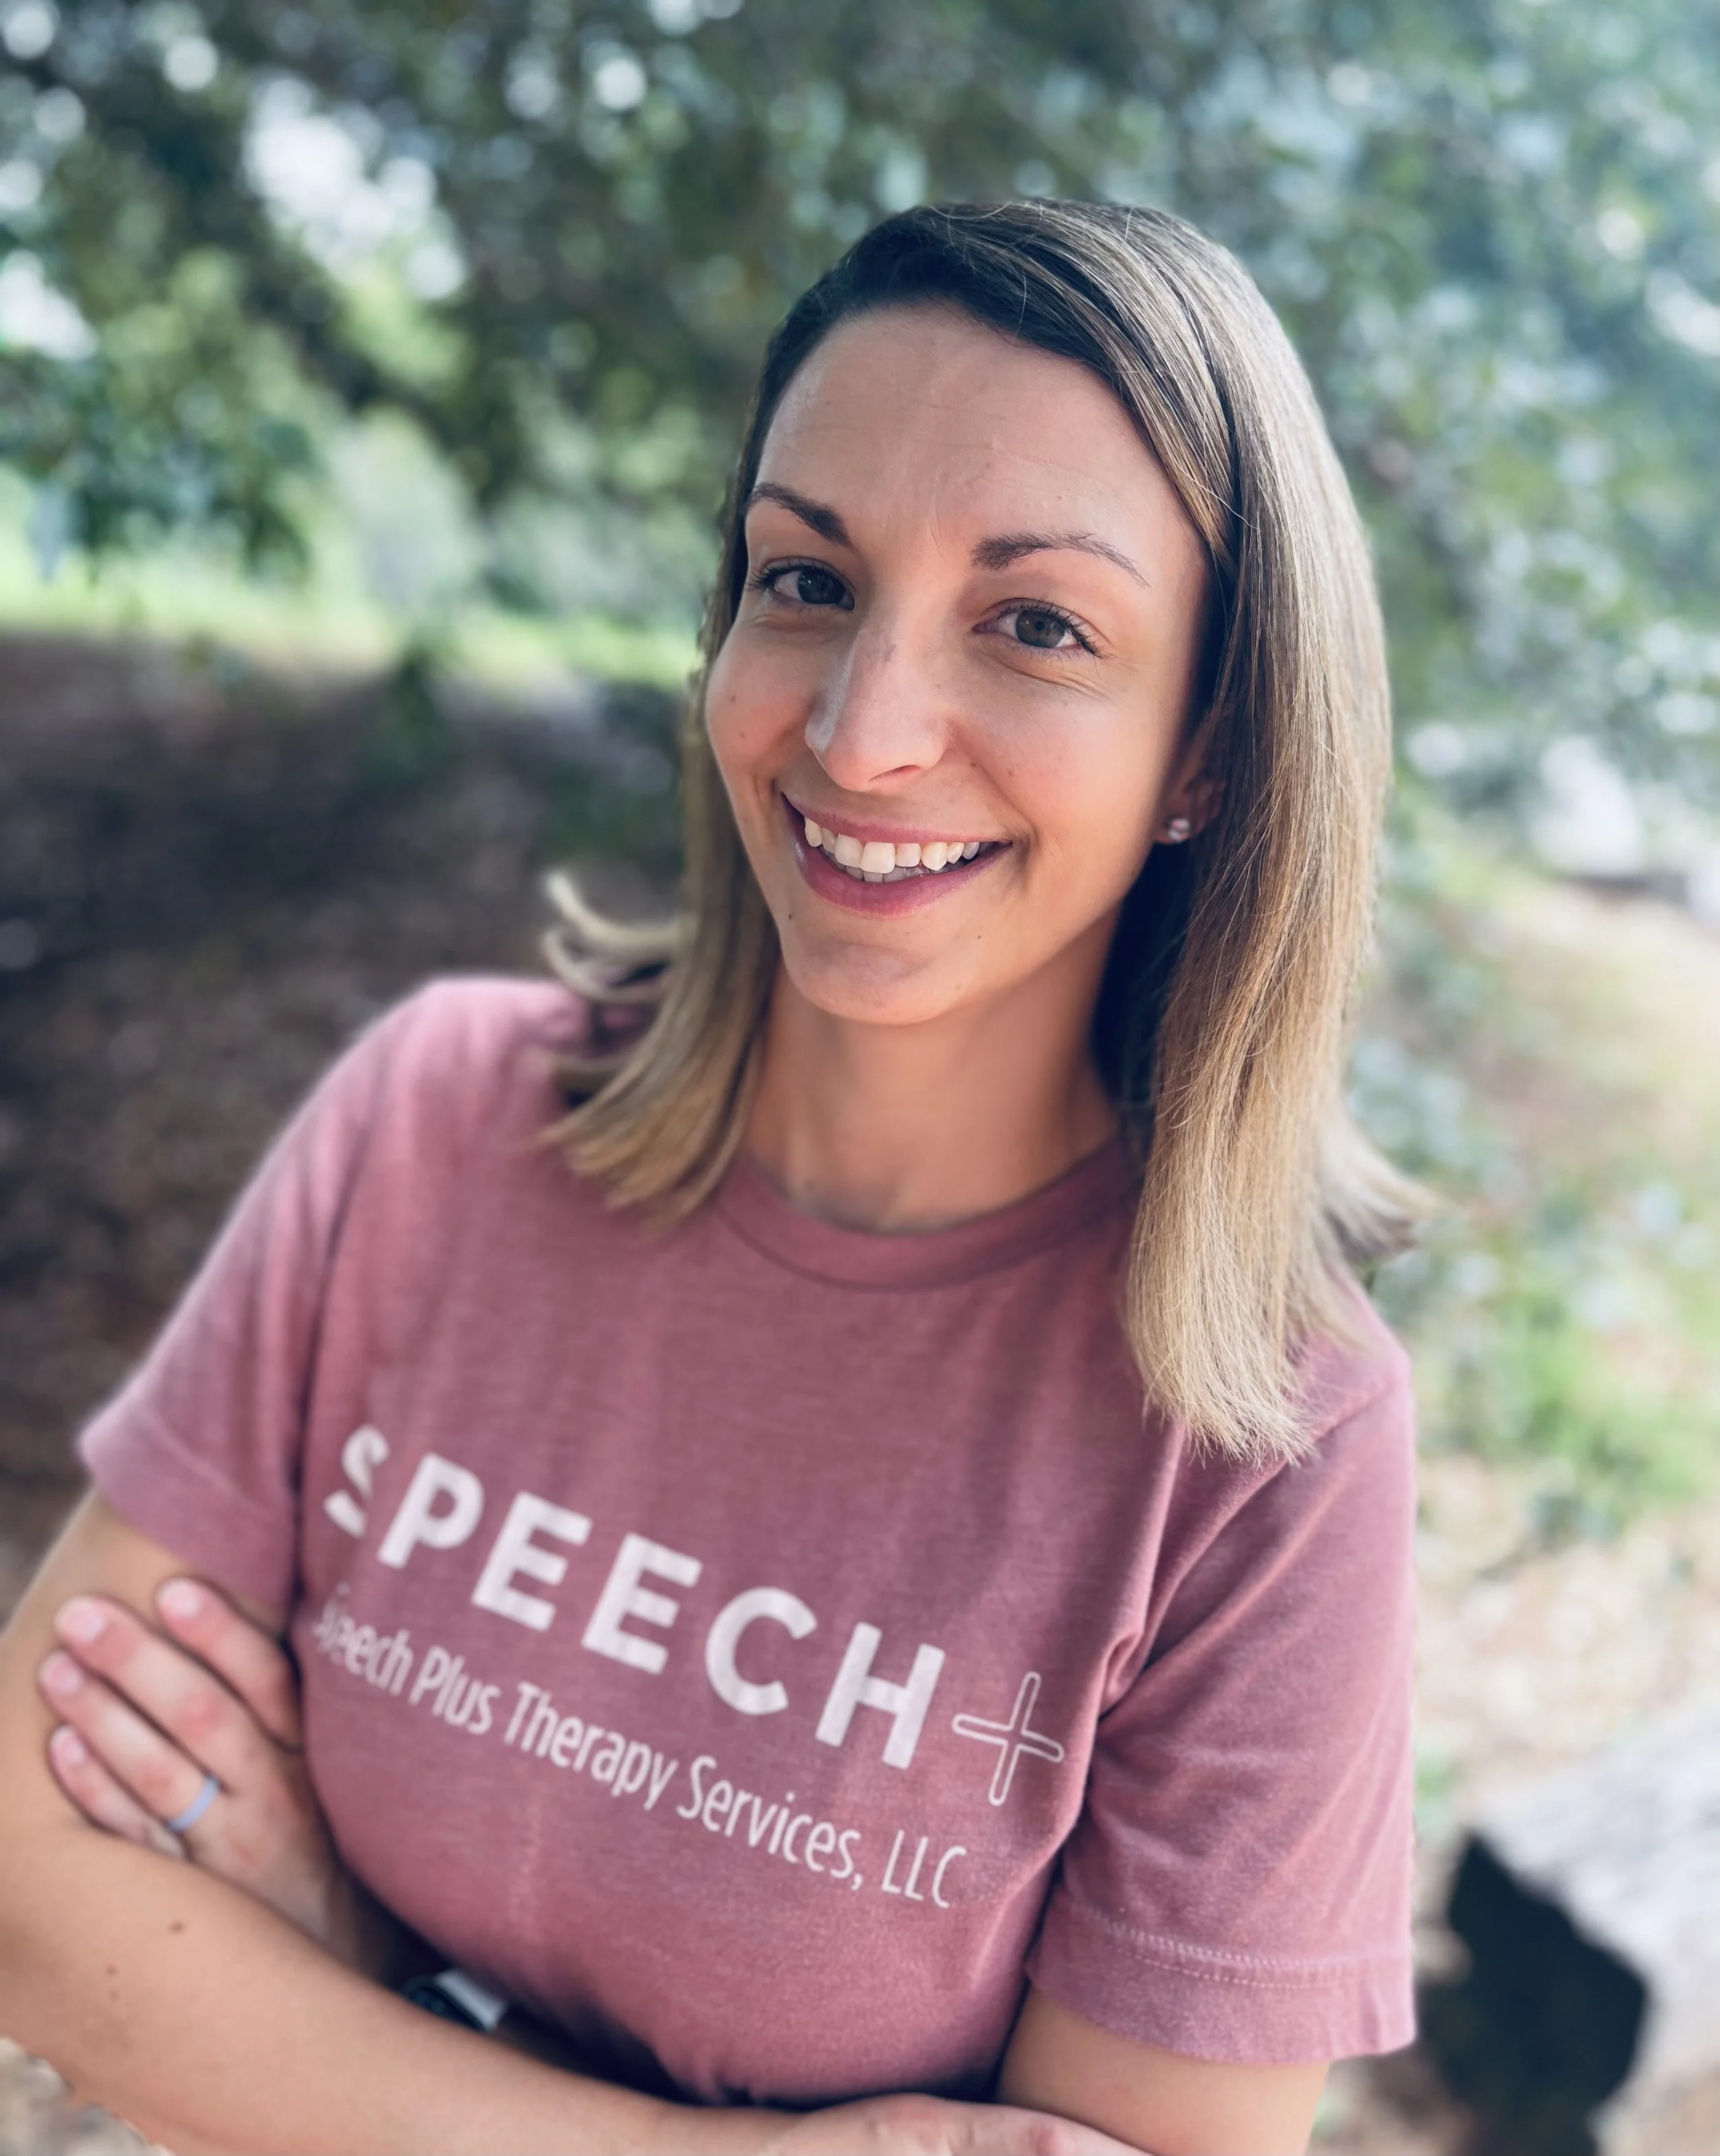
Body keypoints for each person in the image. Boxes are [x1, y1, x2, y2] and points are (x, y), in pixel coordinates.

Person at [0, 200, 1421, 2156]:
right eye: (806, 578)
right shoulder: (430, 1124)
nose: (862, 729)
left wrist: (346, 1980)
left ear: (1210, 746)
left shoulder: (1268, 1447)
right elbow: (37, 1880)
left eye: (1034, 624)